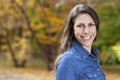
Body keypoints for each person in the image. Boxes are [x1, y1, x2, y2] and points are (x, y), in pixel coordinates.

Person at [55, 4, 106, 80]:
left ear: (96, 27)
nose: (86, 31)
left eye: (90, 25)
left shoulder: (92, 57)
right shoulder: (68, 61)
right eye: (80, 26)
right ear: (73, 29)